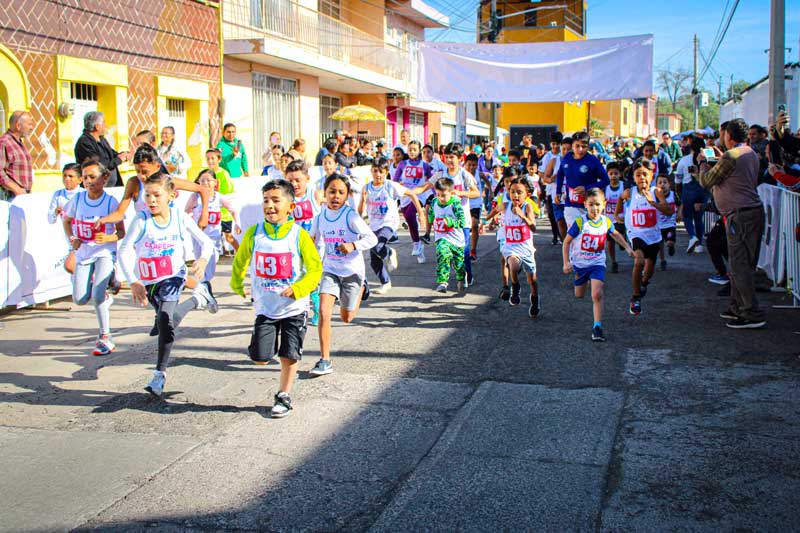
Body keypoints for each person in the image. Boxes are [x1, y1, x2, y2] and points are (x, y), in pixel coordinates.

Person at [229, 179, 322, 417]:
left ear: (291, 206)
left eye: (276, 200)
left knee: (289, 354)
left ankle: (283, 395)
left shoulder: (299, 236)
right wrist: (237, 283)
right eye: (266, 200)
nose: (269, 205)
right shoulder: (254, 234)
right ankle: (261, 349)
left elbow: (315, 270)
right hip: (266, 308)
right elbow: (240, 260)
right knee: (261, 358)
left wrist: (300, 288)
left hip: (294, 308)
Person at [118, 173, 216, 397]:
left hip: (173, 277)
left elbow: (206, 242)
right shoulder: (141, 220)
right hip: (149, 282)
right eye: (147, 195)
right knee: (166, 321)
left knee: (164, 319)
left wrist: (201, 259)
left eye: (156, 195)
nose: (151, 200)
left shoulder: (180, 218)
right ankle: (198, 299)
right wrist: (133, 281)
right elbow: (124, 250)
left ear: (171, 196)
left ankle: (158, 374)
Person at [699, 118, 766, 329]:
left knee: (740, 265)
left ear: (729, 135)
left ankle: (750, 311)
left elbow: (706, 180)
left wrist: (702, 163)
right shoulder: (749, 153)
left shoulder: (731, 155)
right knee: (742, 263)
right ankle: (738, 306)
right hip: (749, 213)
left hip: (740, 215)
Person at [308, 174, 377, 376]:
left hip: (352, 272)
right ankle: (325, 360)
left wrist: (353, 245)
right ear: (324, 193)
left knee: (346, 318)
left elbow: (371, 238)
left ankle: (363, 287)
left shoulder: (350, 216)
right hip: (330, 270)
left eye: (341, 192)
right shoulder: (320, 217)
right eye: (332, 191)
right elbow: (314, 242)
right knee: (323, 312)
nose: (335, 196)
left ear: (347, 196)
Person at [62, 159, 126, 355]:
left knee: (97, 295)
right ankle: (105, 294)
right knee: (80, 299)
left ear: (104, 178)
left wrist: (107, 237)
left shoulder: (110, 202)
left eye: (93, 177)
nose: (88, 181)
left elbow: (120, 232)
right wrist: (73, 238)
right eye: (85, 177)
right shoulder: (78, 200)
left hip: (105, 253)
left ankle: (105, 337)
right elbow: (67, 220)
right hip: (84, 253)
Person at [562, 188, 634, 342]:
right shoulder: (580, 222)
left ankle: (597, 327)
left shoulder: (606, 222)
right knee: (579, 295)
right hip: (580, 264)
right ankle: (583, 279)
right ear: (585, 205)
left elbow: (615, 234)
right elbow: (567, 242)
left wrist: (628, 248)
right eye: (591, 205)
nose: (594, 208)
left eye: (597, 204)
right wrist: (566, 262)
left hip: (597, 263)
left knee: (597, 294)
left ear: (604, 205)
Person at [412, 142, 480, 286]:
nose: (449, 160)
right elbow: (425, 187)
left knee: (464, 250)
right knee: (444, 250)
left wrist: (460, 193)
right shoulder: (441, 174)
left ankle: (467, 275)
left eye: (452, 157)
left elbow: (476, 192)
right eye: (447, 157)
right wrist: (408, 191)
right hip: (443, 223)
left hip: (462, 221)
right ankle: (446, 279)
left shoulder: (464, 174)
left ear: (460, 158)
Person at [614, 160, 673, 316]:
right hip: (636, 233)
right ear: (634, 177)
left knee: (649, 270)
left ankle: (644, 283)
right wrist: (617, 215)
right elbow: (620, 198)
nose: (642, 178)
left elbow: (668, 211)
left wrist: (653, 202)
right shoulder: (630, 192)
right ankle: (635, 297)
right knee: (639, 261)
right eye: (638, 175)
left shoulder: (656, 192)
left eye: (645, 174)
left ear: (651, 175)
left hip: (653, 235)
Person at [360, 157, 424, 294]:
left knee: (378, 246)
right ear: (371, 171)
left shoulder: (390, 185)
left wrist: (421, 213)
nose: (378, 174)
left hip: (389, 223)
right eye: (375, 171)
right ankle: (386, 283)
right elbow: (360, 212)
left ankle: (390, 252)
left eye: (381, 172)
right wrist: (363, 201)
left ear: (386, 172)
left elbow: (411, 193)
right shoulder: (366, 188)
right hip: (373, 225)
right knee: (374, 261)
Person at [486, 176, 540, 315]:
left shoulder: (527, 207)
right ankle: (515, 286)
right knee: (513, 265)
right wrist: (488, 221)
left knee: (533, 281)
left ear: (527, 194)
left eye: (519, 192)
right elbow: (494, 211)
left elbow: (533, 228)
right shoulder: (505, 205)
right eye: (512, 191)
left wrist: (522, 216)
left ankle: (535, 299)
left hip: (526, 248)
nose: (515, 195)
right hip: (511, 246)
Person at [184, 169, 241, 288]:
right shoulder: (195, 197)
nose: (205, 183)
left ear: (215, 182)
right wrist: (192, 221)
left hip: (214, 236)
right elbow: (186, 211)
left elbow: (233, 209)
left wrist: (237, 223)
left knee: (213, 260)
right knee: (201, 261)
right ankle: (202, 286)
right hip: (199, 236)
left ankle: (202, 284)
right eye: (202, 180)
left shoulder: (218, 197)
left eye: (208, 180)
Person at [285, 160, 324, 325]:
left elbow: (330, 210)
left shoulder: (315, 194)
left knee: (311, 278)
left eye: (297, 180)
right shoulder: (285, 198)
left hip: (315, 246)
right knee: (296, 277)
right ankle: (299, 309)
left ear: (307, 179)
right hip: (295, 246)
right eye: (290, 180)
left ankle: (316, 308)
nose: (294, 184)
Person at [555, 132, 610, 230]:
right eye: (577, 146)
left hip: (588, 206)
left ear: (588, 147)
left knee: (586, 235)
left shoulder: (592, 161)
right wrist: (558, 191)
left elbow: (606, 180)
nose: (580, 149)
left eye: (584, 146)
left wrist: (587, 188)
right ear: (572, 145)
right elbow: (560, 174)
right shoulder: (567, 157)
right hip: (570, 205)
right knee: (574, 234)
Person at [393, 141, 432, 263]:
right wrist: (398, 184)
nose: (412, 152)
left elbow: (431, 182)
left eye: (415, 149)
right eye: (410, 149)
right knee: (410, 222)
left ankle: (416, 243)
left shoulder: (424, 165)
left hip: (419, 195)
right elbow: (394, 181)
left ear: (419, 150)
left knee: (410, 215)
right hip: (405, 196)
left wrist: (435, 196)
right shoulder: (402, 164)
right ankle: (419, 248)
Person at [428, 177, 466, 293]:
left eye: (443, 195)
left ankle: (461, 278)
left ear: (451, 192)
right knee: (443, 253)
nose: (441, 198)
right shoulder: (435, 201)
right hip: (442, 237)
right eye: (438, 194)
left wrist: (450, 222)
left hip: (457, 240)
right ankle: (442, 282)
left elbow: (462, 222)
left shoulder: (455, 205)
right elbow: (431, 211)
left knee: (458, 264)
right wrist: (430, 218)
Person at [73, 111, 130, 187]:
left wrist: (125, 155)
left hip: (111, 184)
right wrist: (119, 160)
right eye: (104, 123)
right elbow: (97, 165)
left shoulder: (101, 139)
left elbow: (112, 154)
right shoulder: (84, 142)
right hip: (96, 186)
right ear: (97, 126)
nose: (105, 125)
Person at [205, 148, 237, 255]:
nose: (210, 161)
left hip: (223, 213)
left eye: (213, 158)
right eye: (208, 159)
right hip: (211, 213)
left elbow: (230, 192)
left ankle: (241, 251)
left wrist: (220, 201)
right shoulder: (205, 174)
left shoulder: (224, 174)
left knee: (228, 236)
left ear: (219, 159)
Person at [0, 111, 34, 200]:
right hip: (10, 195)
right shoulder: (5, 142)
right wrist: (16, 189)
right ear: (18, 126)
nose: (31, 128)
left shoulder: (19, 143)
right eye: (29, 124)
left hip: (23, 195)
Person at [540, 131, 563, 245]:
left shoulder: (563, 155)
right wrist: (549, 179)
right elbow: (541, 173)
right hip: (550, 190)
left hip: (563, 191)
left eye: (557, 144)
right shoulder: (548, 156)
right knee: (552, 214)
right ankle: (555, 235)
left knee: (562, 216)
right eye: (553, 144)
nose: (555, 146)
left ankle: (562, 235)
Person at [604, 161, 626, 274]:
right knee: (610, 242)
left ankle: (623, 243)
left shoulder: (624, 186)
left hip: (621, 218)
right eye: (611, 173)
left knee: (620, 236)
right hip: (608, 219)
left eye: (616, 173)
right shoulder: (605, 188)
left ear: (620, 174)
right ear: (607, 174)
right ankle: (613, 262)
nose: (613, 176)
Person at [656, 175, 678, 271]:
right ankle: (662, 260)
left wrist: (680, 214)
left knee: (669, 242)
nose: (662, 185)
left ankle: (671, 246)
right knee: (660, 245)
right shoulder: (655, 197)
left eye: (665, 182)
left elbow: (681, 204)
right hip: (659, 225)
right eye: (660, 182)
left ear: (669, 184)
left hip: (670, 224)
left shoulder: (673, 195)